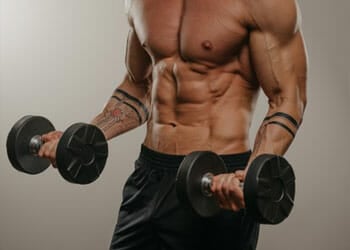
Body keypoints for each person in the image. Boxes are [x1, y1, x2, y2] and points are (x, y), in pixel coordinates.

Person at [39, 0, 307, 249]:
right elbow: (137, 86)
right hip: (149, 176)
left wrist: (250, 176)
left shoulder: (262, 3)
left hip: (216, 183)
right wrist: (86, 137)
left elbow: (287, 99)